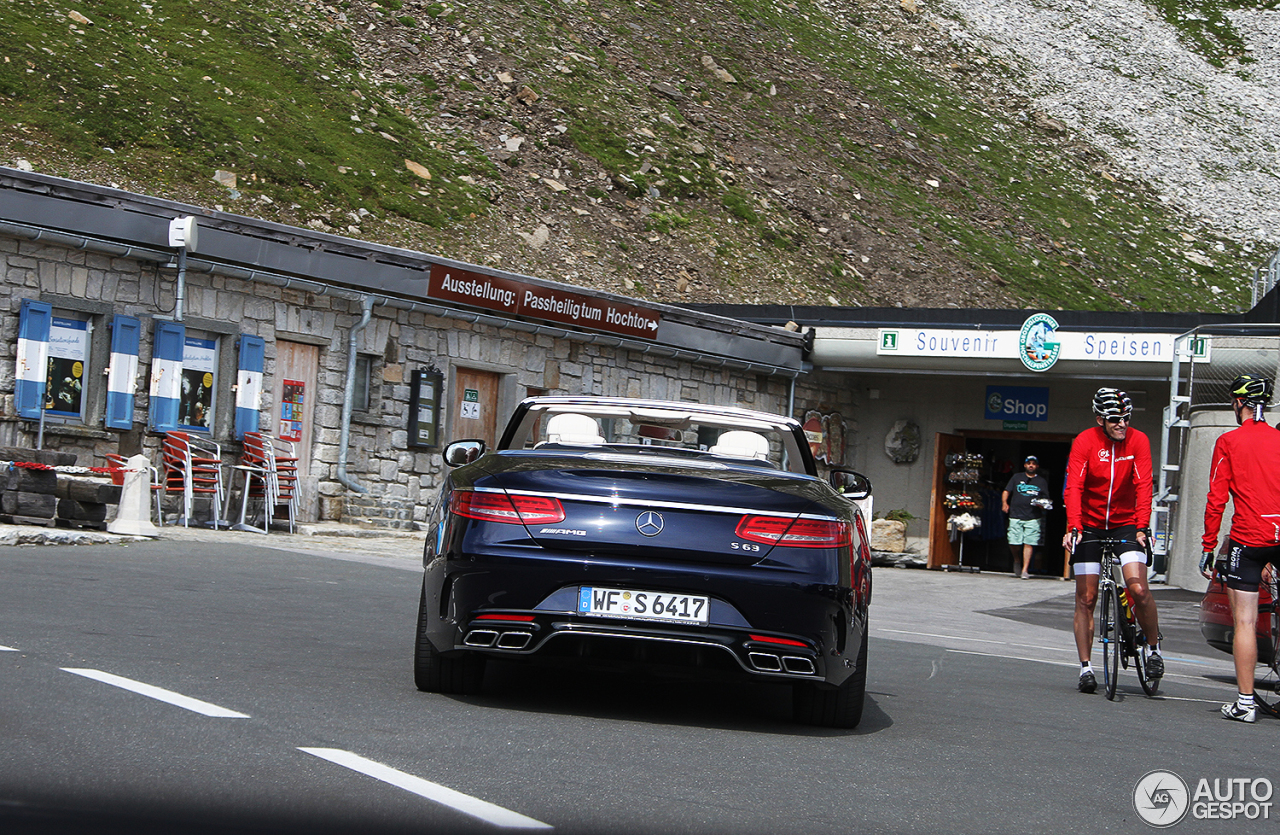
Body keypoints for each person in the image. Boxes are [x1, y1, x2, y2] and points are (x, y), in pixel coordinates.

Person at [1063, 388, 1162, 693]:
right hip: (1090, 526)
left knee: (1139, 587)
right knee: (1086, 598)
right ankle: (1086, 668)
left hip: (1127, 524)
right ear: (1100, 419)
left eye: (1126, 418)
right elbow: (1074, 487)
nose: (1122, 424)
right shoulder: (1085, 441)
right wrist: (1073, 527)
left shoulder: (1139, 441)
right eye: (1115, 419)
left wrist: (1142, 527)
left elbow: (1145, 485)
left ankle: (1153, 649)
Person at [1200, 374, 1280, 723]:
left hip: (1247, 540)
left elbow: (1216, 499)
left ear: (1239, 403)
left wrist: (1208, 546)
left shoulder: (1228, 441)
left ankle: (1245, 704)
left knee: (1245, 621)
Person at [1003, 455, 1050, 578]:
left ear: (1037, 466)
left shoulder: (1041, 481)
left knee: (1029, 543)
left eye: (1033, 463)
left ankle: (1025, 570)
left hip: (1033, 517)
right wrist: (1004, 503)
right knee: (1014, 542)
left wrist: (1042, 504)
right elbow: (1006, 491)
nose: (1031, 465)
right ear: (1024, 465)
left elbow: (1046, 498)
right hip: (1015, 515)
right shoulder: (1016, 477)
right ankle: (1017, 559)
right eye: (1029, 463)